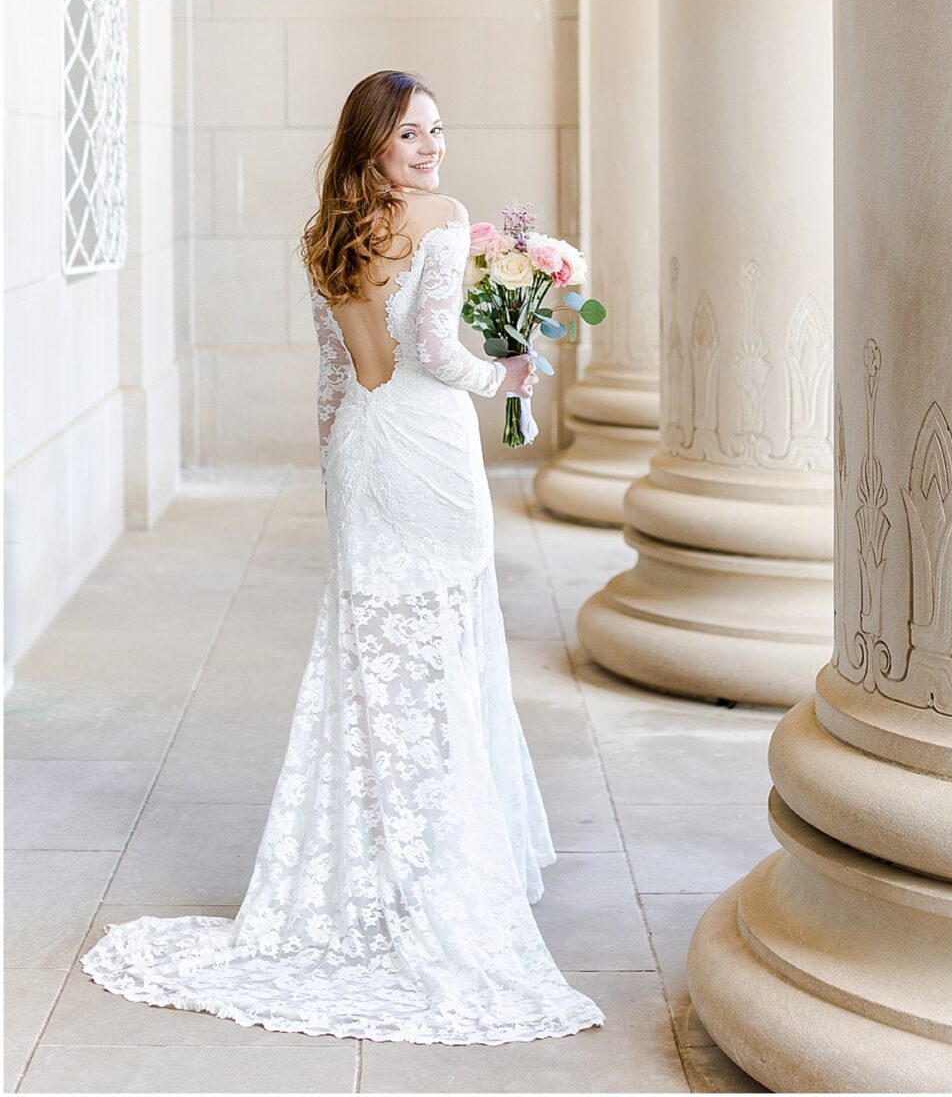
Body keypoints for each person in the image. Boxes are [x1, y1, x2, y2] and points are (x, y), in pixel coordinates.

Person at [81, 69, 604, 1046]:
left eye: (438, 132)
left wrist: (337, 481)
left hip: (364, 456)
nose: (434, 150)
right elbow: (438, 361)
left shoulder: (326, 236)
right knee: (440, 649)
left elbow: (350, 377)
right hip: (432, 456)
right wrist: (511, 374)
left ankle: (372, 869)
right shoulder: (442, 218)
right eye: (412, 136)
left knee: (370, 662)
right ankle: (440, 869)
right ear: (373, 145)